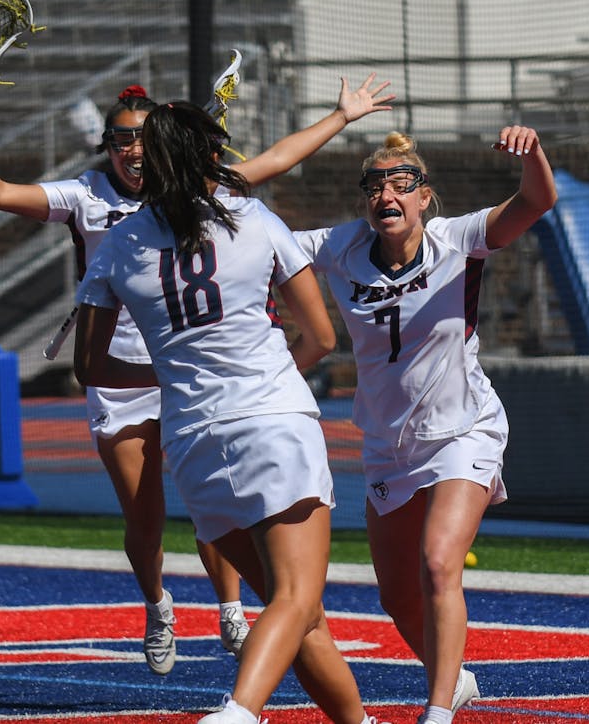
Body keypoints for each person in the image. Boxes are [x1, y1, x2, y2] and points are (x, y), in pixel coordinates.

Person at [0, 74, 393, 677]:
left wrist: (341, 117)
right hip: (132, 377)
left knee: (219, 511)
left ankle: (230, 609)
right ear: (107, 145)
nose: (132, 150)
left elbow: (278, 157)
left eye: (143, 139)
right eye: (119, 139)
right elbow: (0, 192)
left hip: (201, 378)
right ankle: (158, 603)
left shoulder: (210, 194)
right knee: (148, 516)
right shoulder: (92, 202)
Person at [73, 100, 394, 724]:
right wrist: (262, 379)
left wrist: (174, 374)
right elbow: (322, 338)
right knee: (297, 600)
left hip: (194, 439)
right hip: (272, 419)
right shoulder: (254, 218)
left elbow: (91, 368)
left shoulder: (118, 244)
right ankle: (239, 712)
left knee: (295, 612)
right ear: (207, 158)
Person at [292, 126, 558, 724]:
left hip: (464, 427)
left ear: (424, 195)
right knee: (396, 595)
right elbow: (261, 245)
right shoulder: (340, 245)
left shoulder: (456, 240)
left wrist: (533, 152)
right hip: (390, 443)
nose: (387, 195)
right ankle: (455, 679)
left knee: (439, 563)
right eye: (375, 186)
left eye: (400, 184)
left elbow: (537, 202)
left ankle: (436, 712)